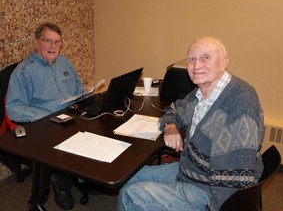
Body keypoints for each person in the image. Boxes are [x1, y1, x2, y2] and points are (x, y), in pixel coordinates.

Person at [118, 36, 264, 211]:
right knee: (127, 177)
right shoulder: (201, 93)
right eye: (191, 59)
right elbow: (174, 110)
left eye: (206, 57)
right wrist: (171, 127)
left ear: (223, 62)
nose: (196, 66)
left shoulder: (240, 104)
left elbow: (232, 186)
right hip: (190, 171)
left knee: (130, 193)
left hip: (209, 191)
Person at [5, 22, 85, 210]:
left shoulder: (64, 62)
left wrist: (85, 93)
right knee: (69, 142)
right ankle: (61, 182)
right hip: (44, 124)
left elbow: (77, 87)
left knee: (99, 127)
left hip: (70, 116)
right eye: (48, 41)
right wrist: (45, 116)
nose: (53, 46)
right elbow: (14, 108)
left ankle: (86, 177)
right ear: (36, 42)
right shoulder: (24, 71)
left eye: (57, 42)